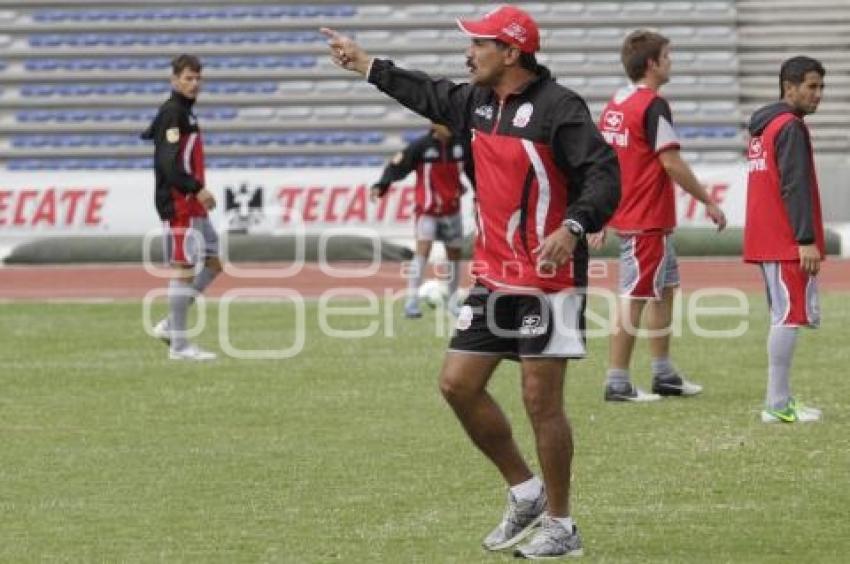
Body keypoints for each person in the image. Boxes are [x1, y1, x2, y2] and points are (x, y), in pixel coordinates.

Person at [322, 5, 620, 559]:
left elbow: (604, 174)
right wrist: (365, 64)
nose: (469, 52)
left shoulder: (560, 108)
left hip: (549, 281)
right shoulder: (475, 101)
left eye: (480, 43)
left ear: (511, 53)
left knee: (541, 401)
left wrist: (575, 226)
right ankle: (525, 492)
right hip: (494, 276)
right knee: (457, 384)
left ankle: (562, 524)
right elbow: (424, 91)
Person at [590, 30, 727, 402]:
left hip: (644, 217)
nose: (671, 62)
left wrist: (601, 214)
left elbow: (607, 161)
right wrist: (708, 201)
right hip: (645, 218)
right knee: (634, 296)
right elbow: (671, 161)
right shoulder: (653, 105)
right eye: (667, 55)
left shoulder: (617, 102)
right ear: (652, 63)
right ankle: (617, 380)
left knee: (663, 291)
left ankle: (663, 374)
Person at [744, 56, 825, 423]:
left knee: (784, 315)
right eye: (811, 86)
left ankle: (780, 400)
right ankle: (777, 405)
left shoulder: (765, 127)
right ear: (788, 87)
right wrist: (805, 239)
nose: (818, 94)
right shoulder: (789, 126)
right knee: (787, 316)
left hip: (769, 238)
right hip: (784, 240)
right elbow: (794, 186)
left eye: (821, 87)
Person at [142, 54, 220, 361]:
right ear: (175, 80)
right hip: (180, 203)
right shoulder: (173, 113)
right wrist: (196, 189)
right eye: (188, 78)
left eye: (198, 78)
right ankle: (179, 345)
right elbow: (168, 163)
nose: (194, 83)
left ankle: (171, 325)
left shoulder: (186, 114)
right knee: (184, 269)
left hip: (193, 204)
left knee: (214, 262)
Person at [371, 123, 468, 318]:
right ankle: (412, 301)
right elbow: (397, 164)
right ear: (434, 125)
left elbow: (475, 169)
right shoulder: (421, 146)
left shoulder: (461, 145)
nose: (450, 125)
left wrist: (476, 193)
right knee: (423, 251)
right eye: (445, 121)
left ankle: (452, 300)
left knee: (454, 255)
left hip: (452, 210)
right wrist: (381, 185)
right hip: (427, 211)